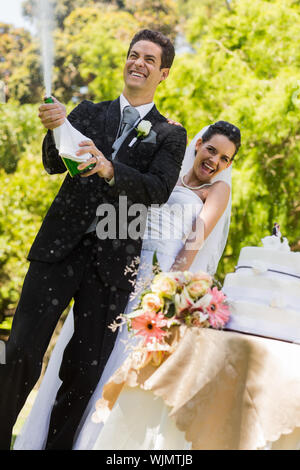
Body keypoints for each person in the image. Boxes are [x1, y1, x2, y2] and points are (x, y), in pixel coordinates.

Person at [0, 29, 188, 451]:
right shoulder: (86, 111)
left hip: (112, 265)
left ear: (163, 74)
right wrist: (56, 126)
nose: (137, 63)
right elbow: (53, 163)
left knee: (84, 372)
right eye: (133, 55)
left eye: (148, 60)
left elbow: (157, 189)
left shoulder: (171, 135)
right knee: (20, 355)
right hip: (57, 250)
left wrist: (109, 170)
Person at [14, 121, 241, 450]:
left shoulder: (216, 190)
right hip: (116, 272)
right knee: (83, 361)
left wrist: (163, 293)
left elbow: (192, 245)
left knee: (117, 367)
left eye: (224, 159)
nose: (215, 162)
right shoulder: (166, 175)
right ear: (198, 143)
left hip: (155, 286)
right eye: (211, 150)